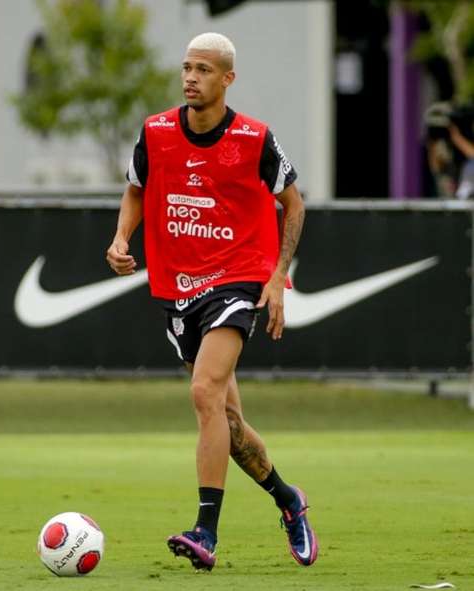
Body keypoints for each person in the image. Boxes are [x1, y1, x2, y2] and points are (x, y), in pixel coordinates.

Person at [106, 32, 316, 571]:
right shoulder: (155, 133)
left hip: (239, 280)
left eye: (203, 69)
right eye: (186, 67)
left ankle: (206, 531)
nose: (190, 77)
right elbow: (135, 188)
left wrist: (275, 278)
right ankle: (288, 499)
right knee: (229, 425)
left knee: (203, 392)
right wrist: (121, 238)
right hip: (178, 287)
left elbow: (294, 205)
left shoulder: (255, 138)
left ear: (227, 78)